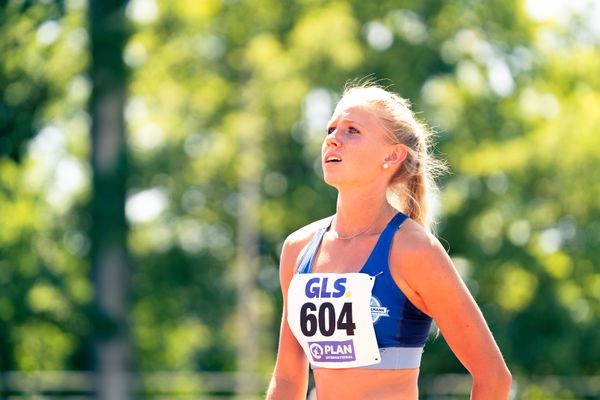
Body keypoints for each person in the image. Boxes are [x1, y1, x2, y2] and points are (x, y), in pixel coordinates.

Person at [266, 82, 511, 400]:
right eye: (331, 128)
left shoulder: (415, 250)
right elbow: (287, 381)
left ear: (392, 155)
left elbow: (494, 378)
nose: (332, 139)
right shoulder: (297, 250)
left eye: (352, 130)